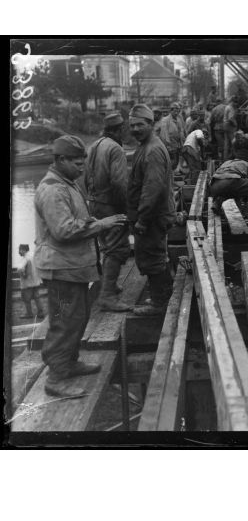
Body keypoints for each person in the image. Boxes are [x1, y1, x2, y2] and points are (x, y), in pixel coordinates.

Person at [34, 135, 128, 398]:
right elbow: (63, 230)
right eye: (76, 162)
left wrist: (91, 220)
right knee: (64, 322)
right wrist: (101, 224)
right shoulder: (53, 189)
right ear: (60, 160)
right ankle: (57, 377)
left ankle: (70, 361)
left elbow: (74, 219)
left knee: (78, 317)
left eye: (83, 162)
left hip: (72, 267)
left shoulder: (67, 183)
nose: (82, 167)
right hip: (60, 269)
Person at [127, 104, 176, 316]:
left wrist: (143, 219)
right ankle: (163, 296)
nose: (135, 129)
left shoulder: (152, 150)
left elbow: (152, 188)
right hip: (152, 214)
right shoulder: (145, 146)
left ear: (151, 124)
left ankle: (159, 303)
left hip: (153, 215)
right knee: (152, 255)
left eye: (140, 125)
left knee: (153, 257)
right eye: (132, 126)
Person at [84, 112, 131, 312]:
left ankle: (107, 284)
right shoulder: (116, 149)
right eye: (124, 130)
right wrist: (126, 209)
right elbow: (119, 184)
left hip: (93, 202)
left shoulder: (93, 146)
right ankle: (107, 296)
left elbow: (85, 178)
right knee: (118, 248)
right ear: (119, 130)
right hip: (110, 204)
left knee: (105, 245)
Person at [17, 243, 44, 319]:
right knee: (37, 297)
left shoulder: (26, 258)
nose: (19, 252)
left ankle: (29, 314)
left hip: (27, 283)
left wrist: (23, 275)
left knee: (26, 299)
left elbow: (20, 269)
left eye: (20, 250)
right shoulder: (34, 255)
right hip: (36, 281)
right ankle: (41, 313)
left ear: (24, 250)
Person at [159, 102, 185, 170]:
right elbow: (164, 134)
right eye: (175, 111)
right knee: (171, 162)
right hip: (169, 145)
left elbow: (181, 132)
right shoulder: (165, 120)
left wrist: (182, 143)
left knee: (175, 162)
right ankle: (168, 176)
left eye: (178, 111)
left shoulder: (178, 120)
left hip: (177, 145)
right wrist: (168, 146)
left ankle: (171, 175)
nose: (176, 113)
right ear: (171, 110)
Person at [223, 95, 239, 160]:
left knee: (226, 143)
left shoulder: (227, 107)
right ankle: (234, 157)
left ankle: (225, 157)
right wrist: (235, 124)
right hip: (230, 126)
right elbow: (231, 118)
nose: (236, 104)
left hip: (225, 125)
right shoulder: (231, 108)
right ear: (232, 101)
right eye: (235, 102)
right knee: (233, 142)